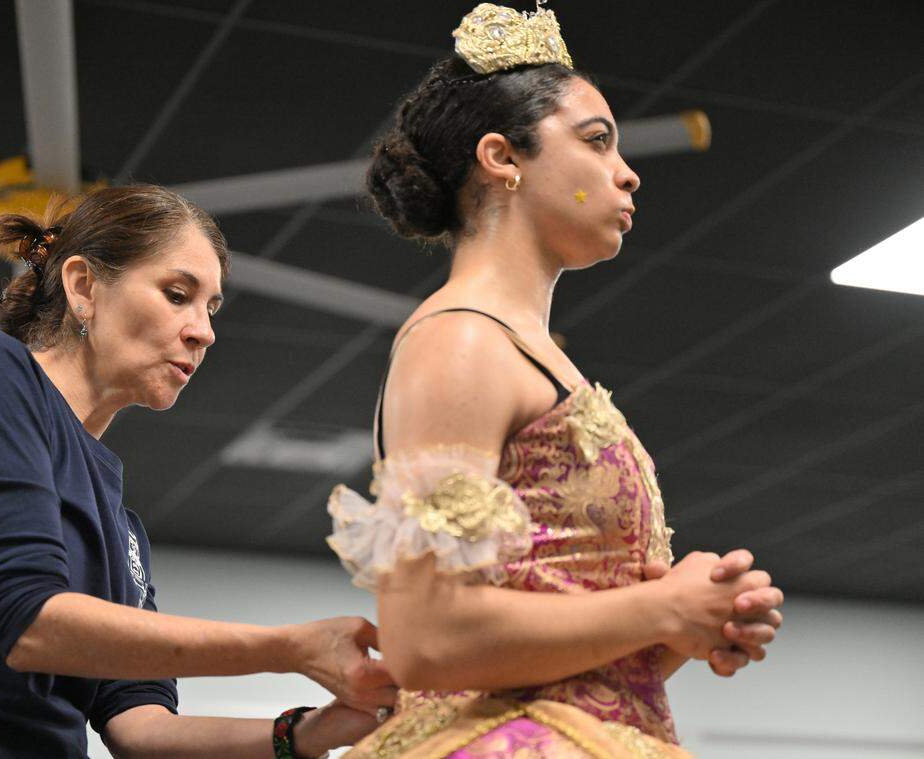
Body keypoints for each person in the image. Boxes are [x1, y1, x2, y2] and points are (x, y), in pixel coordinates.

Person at [325, 4, 785, 757]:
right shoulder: (461, 340)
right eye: (597, 141)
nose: (627, 172)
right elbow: (425, 635)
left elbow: (562, 627)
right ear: (502, 157)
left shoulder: (523, 350)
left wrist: (689, 620)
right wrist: (662, 605)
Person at [0, 185, 393, 758]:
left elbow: (143, 732)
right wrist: (288, 648)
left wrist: (312, 733)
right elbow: (31, 622)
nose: (204, 331)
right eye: (177, 294)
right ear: (83, 287)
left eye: (211, 308)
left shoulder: (121, 527)